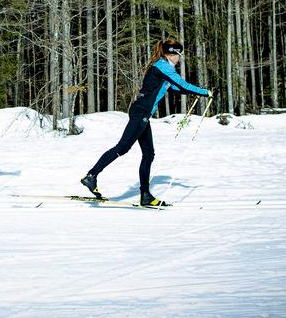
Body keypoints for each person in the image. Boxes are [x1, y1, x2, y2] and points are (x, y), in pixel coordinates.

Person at [80, 39, 214, 207]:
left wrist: (195, 93)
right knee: (122, 148)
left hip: (143, 113)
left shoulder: (163, 69)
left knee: (148, 154)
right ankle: (91, 176)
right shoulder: (163, 67)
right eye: (179, 55)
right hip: (141, 112)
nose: (180, 58)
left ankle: (145, 195)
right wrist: (204, 92)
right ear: (171, 54)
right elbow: (183, 85)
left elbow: (175, 88)